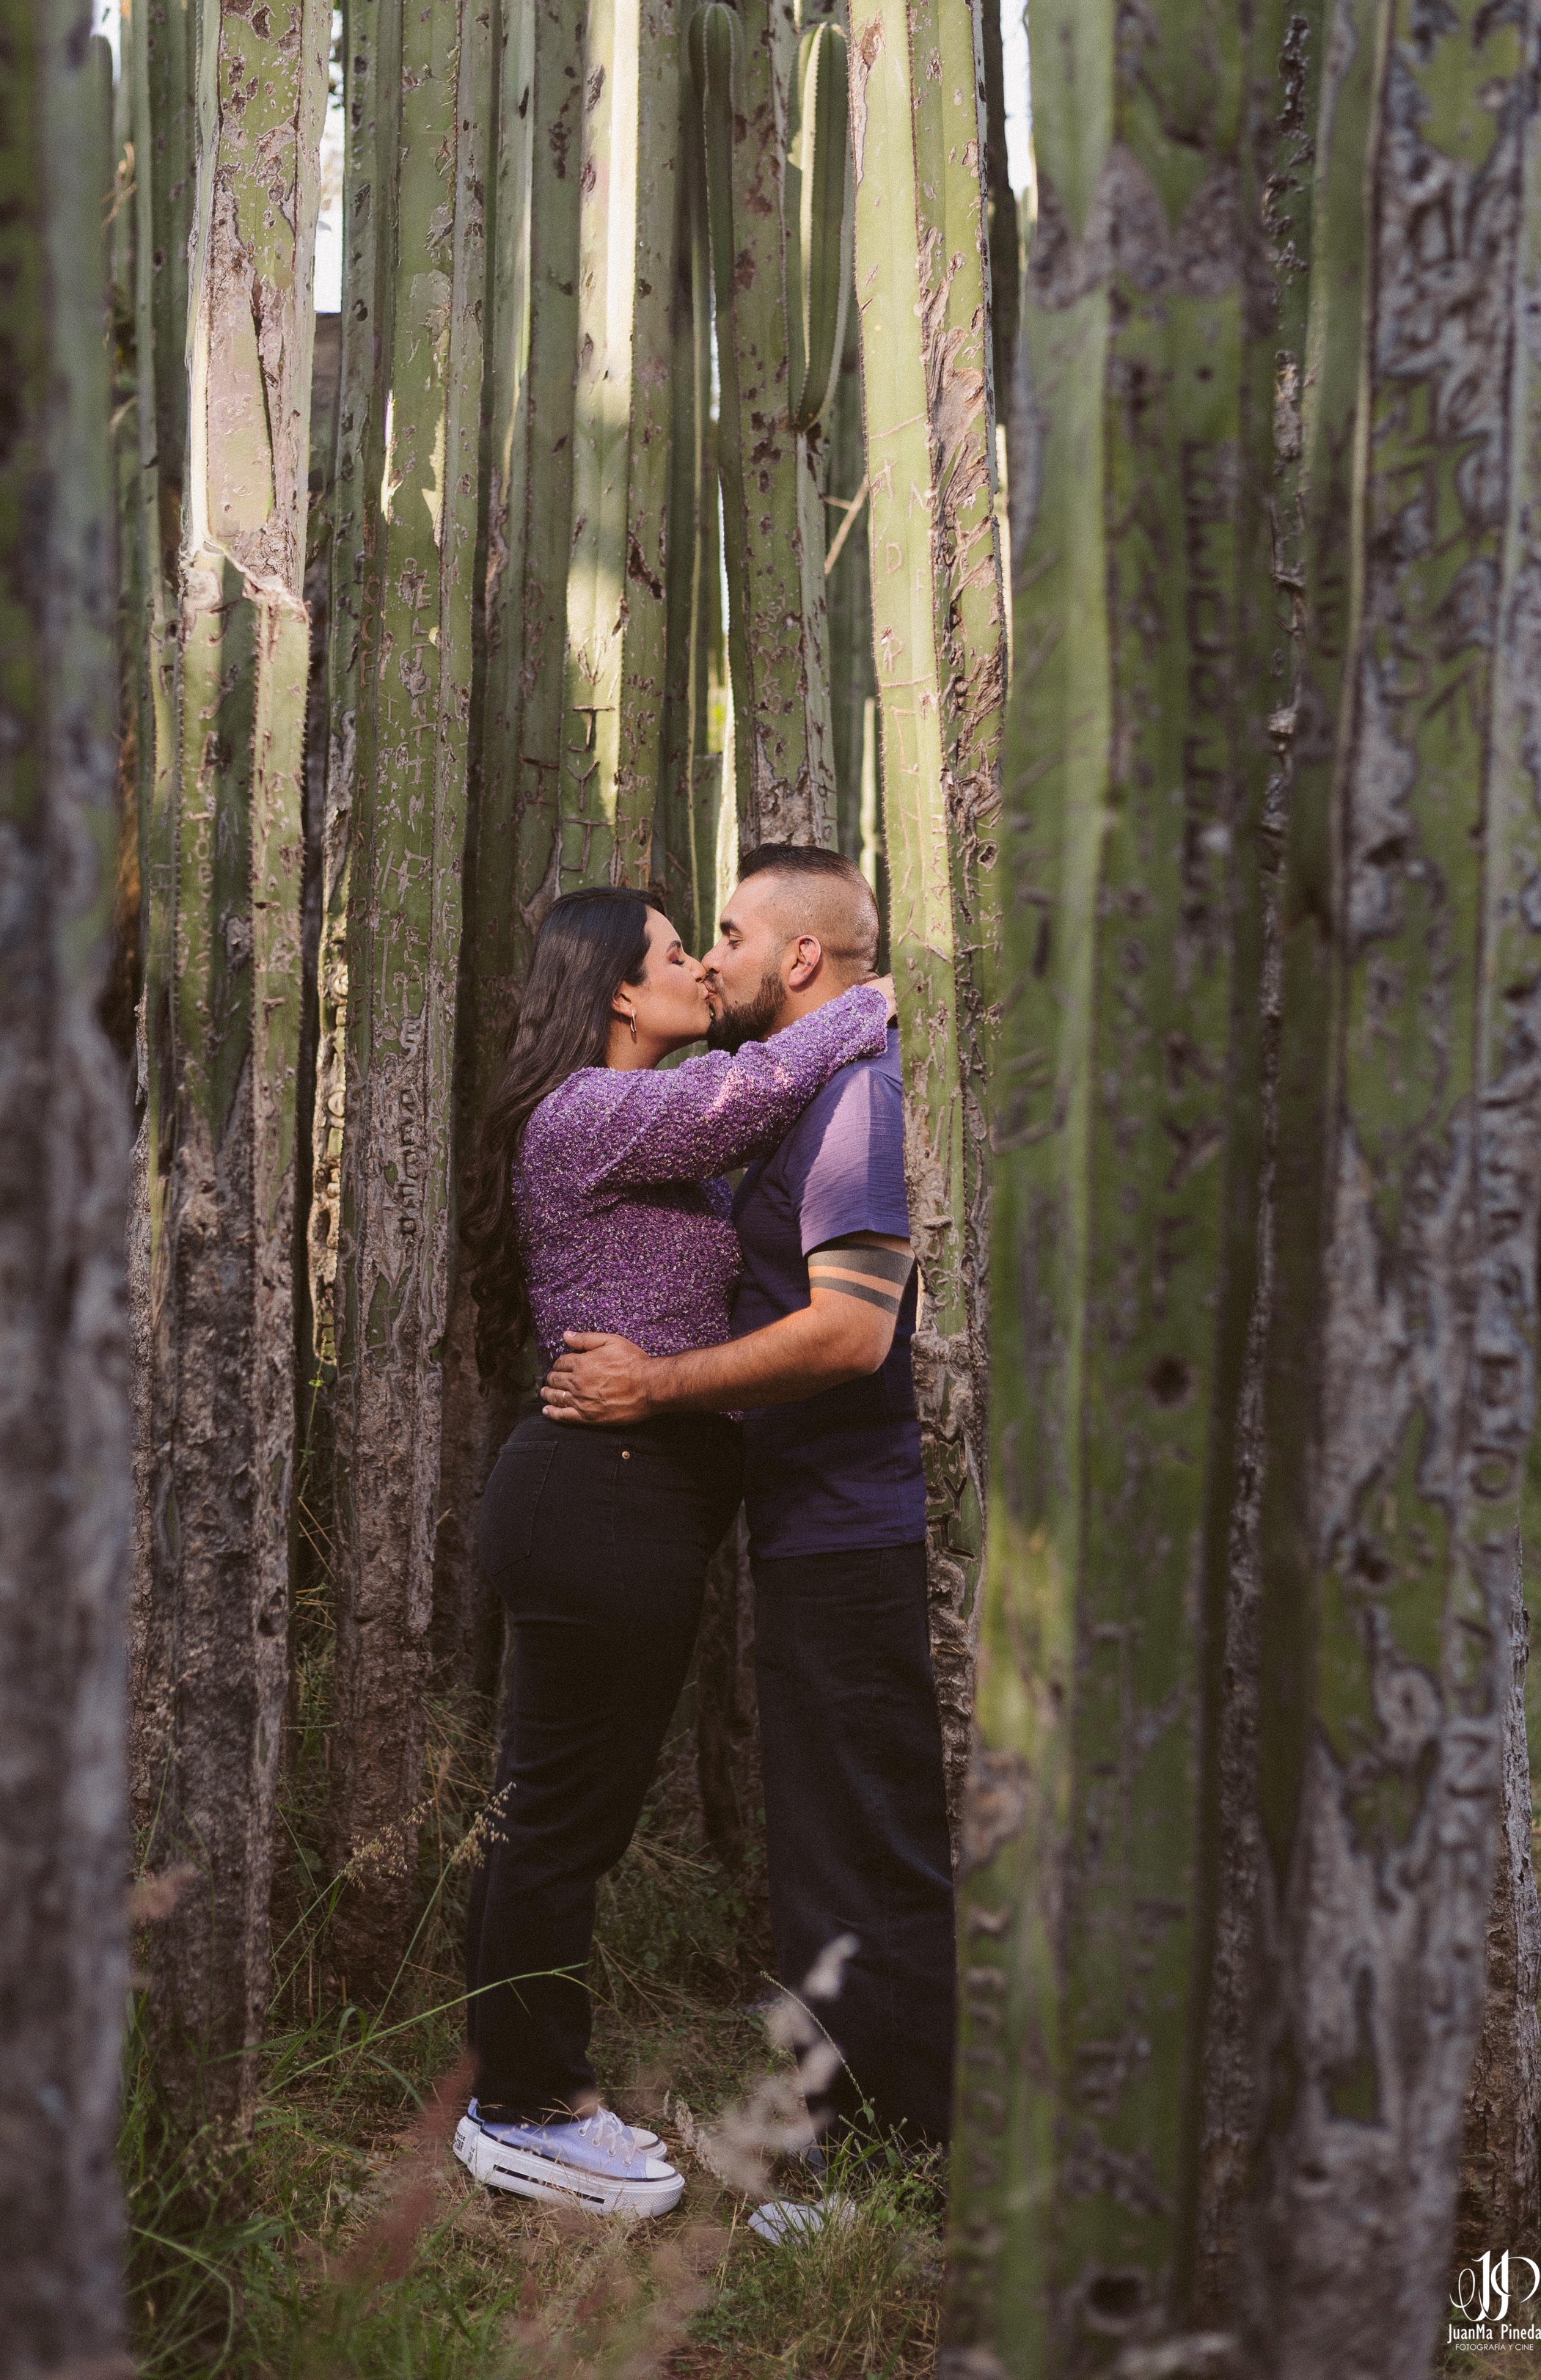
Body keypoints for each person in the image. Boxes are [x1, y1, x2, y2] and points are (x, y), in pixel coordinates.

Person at [453, 882, 894, 2216]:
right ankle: (522, 2108)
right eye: (672, 952)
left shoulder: (633, 1136)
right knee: (557, 1817)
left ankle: (534, 2089)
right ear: (616, 994)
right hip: (600, 1492)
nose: (701, 964)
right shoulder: (588, 1110)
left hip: (628, 1500)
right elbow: (749, 1092)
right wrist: (875, 997)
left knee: (565, 1810)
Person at [541, 843, 956, 2151]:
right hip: (805, 1521)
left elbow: (849, 1335)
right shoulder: (789, 1101)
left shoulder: (853, 1103)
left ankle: (888, 2154)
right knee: (830, 1842)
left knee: (866, 1850)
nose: (709, 958)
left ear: (801, 960)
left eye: (724, 932)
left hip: (855, 1524)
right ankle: (858, 2134)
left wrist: (658, 1382)